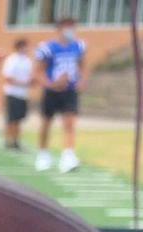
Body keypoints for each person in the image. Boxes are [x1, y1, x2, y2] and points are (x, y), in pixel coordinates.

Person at [34, 17, 86, 173]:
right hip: (52, 91)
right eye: (67, 27)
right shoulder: (47, 48)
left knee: (69, 123)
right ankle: (43, 154)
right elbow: (37, 72)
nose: (70, 30)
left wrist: (81, 80)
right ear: (59, 29)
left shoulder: (78, 46)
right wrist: (51, 84)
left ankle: (67, 155)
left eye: (72, 27)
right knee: (46, 124)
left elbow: (82, 66)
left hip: (69, 90)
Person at [1, 38, 33, 151]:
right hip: (12, 93)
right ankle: (7, 140)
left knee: (19, 119)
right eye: (24, 46)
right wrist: (22, 83)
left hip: (22, 95)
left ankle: (16, 141)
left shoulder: (27, 61)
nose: (27, 49)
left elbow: (30, 77)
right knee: (11, 119)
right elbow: (7, 77)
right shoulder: (12, 60)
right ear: (19, 47)